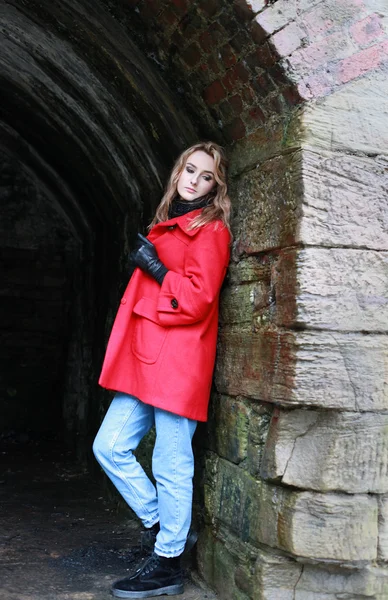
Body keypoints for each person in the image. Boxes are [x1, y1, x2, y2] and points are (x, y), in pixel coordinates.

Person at [93, 141, 232, 598]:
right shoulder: (167, 225)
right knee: (108, 446)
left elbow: (197, 298)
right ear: (177, 173)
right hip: (146, 356)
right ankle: (166, 532)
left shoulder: (210, 232)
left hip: (178, 359)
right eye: (188, 170)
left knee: (171, 462)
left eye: (205, 175)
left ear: (216, 186)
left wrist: (154, 268)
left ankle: (169, 563)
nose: (193, 179)